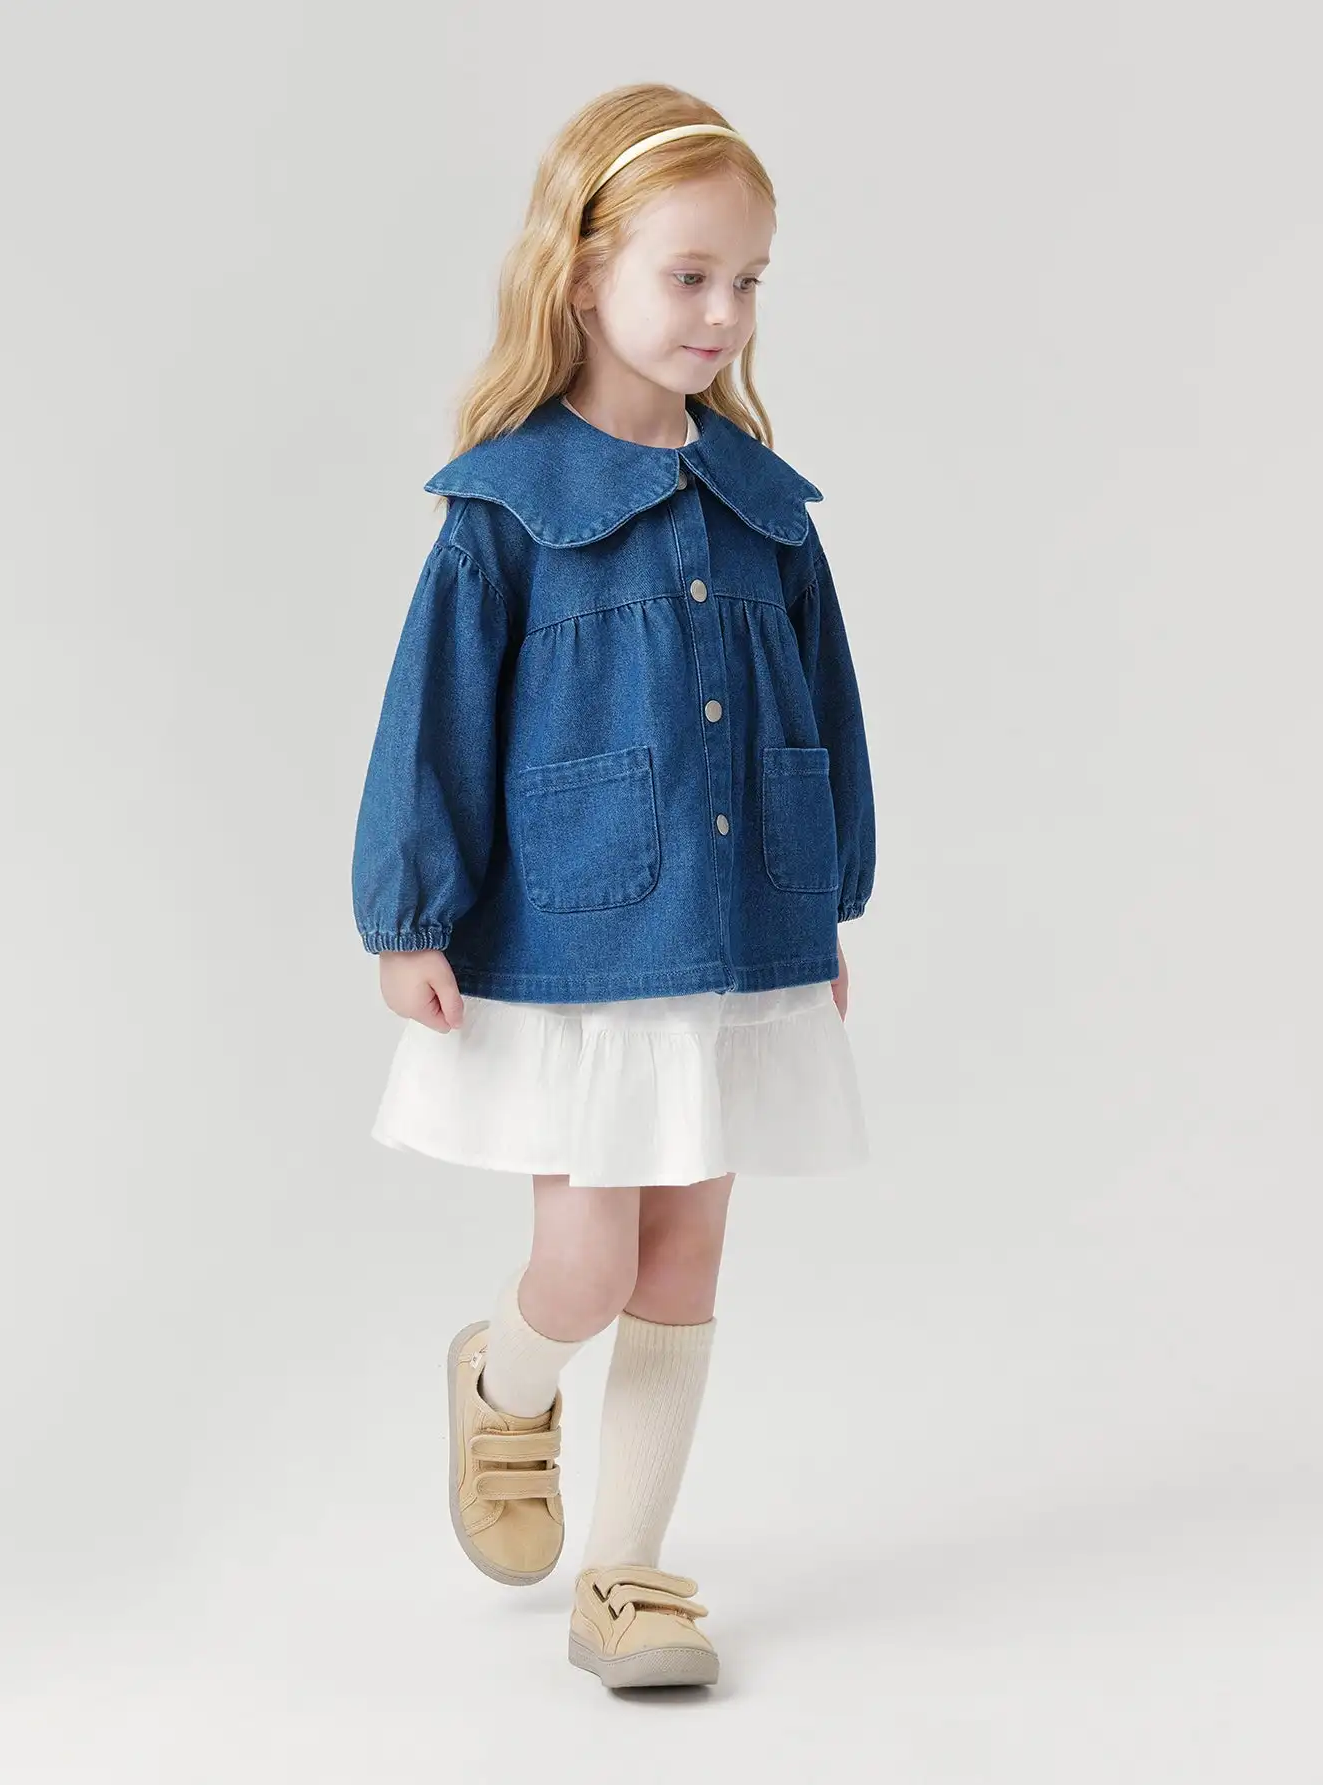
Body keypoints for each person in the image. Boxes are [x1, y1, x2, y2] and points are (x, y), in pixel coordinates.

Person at [350, 82, 877, 1690]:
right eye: (689, 275)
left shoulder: (766, 509)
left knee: (685, 1263)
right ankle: (503, 1389)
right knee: (584, 1269)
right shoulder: (507, 508)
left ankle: (628, 1580)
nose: (724, 313)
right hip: (579, 941)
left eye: (747, 280)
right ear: (585, 276)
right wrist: (408, 915)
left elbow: (824, 714)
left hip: (736, 933)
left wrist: (823, 904)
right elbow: (433, 720)